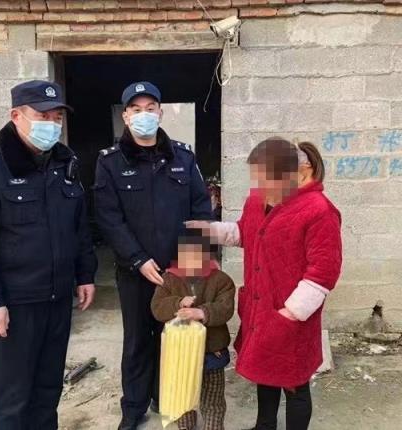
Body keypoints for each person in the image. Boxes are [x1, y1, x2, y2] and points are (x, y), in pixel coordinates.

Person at [0, 80, 98, 430]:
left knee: (47, 392)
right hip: (14, 305)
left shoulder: (65, 163)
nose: (52, 123)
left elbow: (78, 227)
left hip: (57, 300)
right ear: (16, 116)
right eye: (42, 116)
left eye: (57, 117)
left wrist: (85, 275)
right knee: (12, 399)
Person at [187, 138, 342, 430]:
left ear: (301, 170)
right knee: (264, 371)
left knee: (295, 384)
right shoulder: (259, 200)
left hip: (291, 315)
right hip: (260, 307)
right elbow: (245, 232)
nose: (261, 184)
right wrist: (210, 231)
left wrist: (290, 313)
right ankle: (264, 426)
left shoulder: (319, 211)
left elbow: (323, 272)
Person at [93, 81, 212, 430]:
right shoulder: (110, 162)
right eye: (136, 109)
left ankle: (167, 397)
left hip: (177, 271)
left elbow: (201, 209)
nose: (143, 115)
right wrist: (137, 258)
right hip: (135, 271)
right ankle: (133, 408)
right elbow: (108, 217)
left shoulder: (183, 157)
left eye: (150, 109)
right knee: (137, 341)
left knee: (173, 334)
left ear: (160, 113)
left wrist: (191, 263)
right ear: (125, 116)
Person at [151, 228, 235, 430]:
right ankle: (186, 426)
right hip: (181, 353)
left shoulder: (221, 280)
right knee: (183, 397)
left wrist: (202, 312)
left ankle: (213, 427)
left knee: (212, 399)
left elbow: (226, 309)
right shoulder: (168, 279)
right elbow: (157, 307)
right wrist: (178, 303)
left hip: (212, 352)